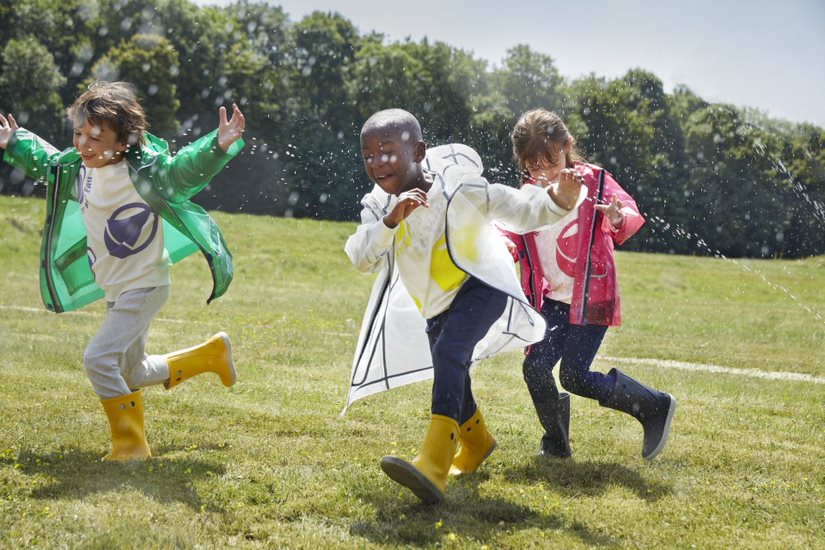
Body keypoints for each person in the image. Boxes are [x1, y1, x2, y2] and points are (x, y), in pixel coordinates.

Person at [345, 108, 583, 503]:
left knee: (451, 352)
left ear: (419, 151)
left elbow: (517, 208)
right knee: (450, 367)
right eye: (368, 155)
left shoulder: (459, 189)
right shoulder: (378, 206)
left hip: (481, 287)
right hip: (436, 306)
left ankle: (433, 463)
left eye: (387, 151)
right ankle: (477, 442)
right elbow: (360, 257)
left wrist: (558, 201)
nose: (377, 163)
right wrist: (390, 221)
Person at [0, 81, 245, 460]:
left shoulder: (144, 174)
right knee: (132, 373)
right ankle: (209, 355)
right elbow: (49, 163)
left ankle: (131, 446)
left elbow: (183, 171)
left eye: (95, 138)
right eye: (78, 134)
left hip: (144, 286)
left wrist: (217, 146)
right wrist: (15, 142)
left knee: (98, 359)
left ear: (123, 143)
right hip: (119, 288)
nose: (83, 145)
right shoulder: (80, 171)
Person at [508, 108, 676, 460]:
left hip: (592, 298)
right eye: (534, 168)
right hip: (552, 300)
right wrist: (504, 244)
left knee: (573, 376)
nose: (545, 175)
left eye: (552, 164)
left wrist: (617, 217)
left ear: (567, 146)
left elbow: (628, 212)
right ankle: (556, 442)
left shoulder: (595, 182)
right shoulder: (528, 194)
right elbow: (510, 228)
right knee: (535, 368)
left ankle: (653, 405)